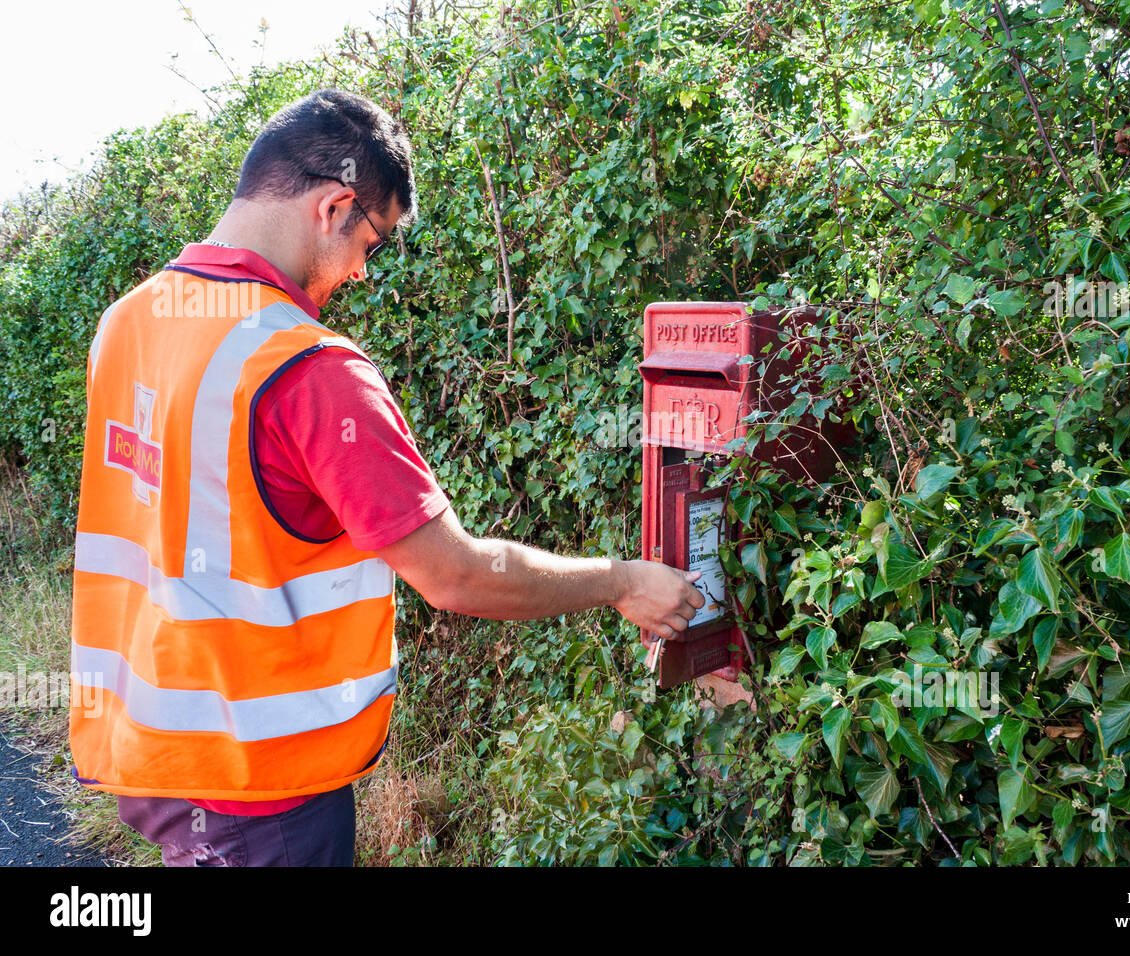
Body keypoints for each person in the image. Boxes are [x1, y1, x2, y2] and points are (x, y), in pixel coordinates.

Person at [69, 89, 703, 867]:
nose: (365, 273)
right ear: (335, 205)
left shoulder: (128, 321)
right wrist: (622, 580)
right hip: (261, 787)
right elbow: (457, 576)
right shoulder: (306, 369)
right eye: (375, 241)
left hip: (154, 750)